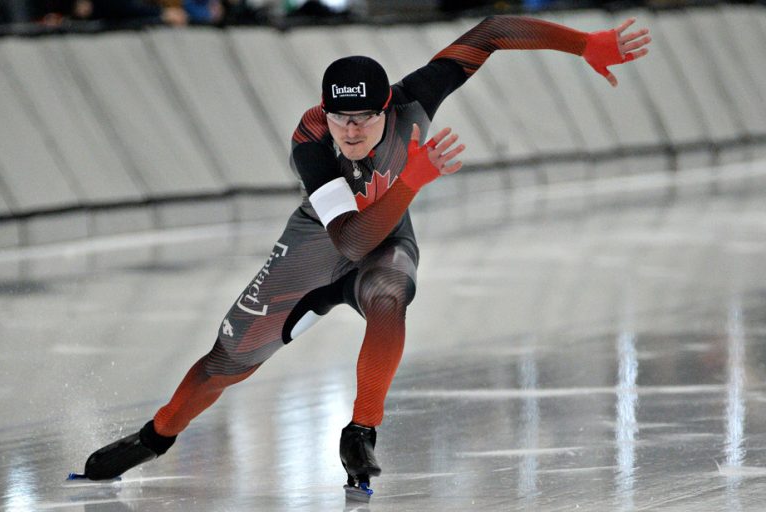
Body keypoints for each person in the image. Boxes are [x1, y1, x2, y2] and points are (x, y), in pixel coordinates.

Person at [74, 14, 650, 495]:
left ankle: (361, 430)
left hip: (386, 241)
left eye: (364, 118)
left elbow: (493, 32)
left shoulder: (416, 99)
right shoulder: (311, 138)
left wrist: (585, 45)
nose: (350, 130)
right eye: (340, 118)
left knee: (389, 295)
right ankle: (155, 437)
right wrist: (412, 181)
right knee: (226, 364)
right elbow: (347, 240)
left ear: (388, 109)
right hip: (319, 243)